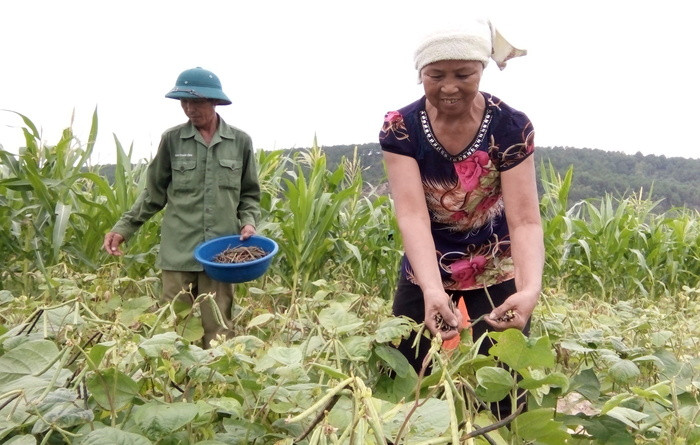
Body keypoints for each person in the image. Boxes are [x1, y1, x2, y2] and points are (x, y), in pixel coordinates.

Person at [379, 19, 544, 417]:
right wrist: (434, 290)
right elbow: (413, 216)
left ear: (482, 70)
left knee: (502, 378)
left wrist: (530, 288)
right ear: (420, 74)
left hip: (495, 262)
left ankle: (500, 433)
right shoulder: (401, 128)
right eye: (436, 75)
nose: (449, 86)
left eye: (463, 74)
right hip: (427, 263)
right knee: (404, 372)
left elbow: (524, 220)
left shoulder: (510, 127)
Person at [104, 67, 261, 348]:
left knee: (219, 330)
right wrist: (124, 227)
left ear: (214, 102)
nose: (189, 109)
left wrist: (248, 221)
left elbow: (249, 194)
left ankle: (214, 385)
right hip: (178, 253)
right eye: (184, 102)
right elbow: (153, 193)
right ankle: (175, 389)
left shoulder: (240, 142)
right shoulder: (173, 140)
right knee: (175, 330)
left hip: (221, 255)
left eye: (197, 102)